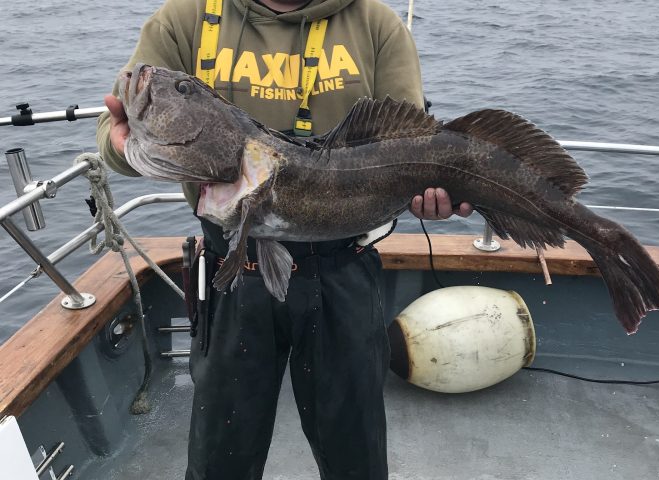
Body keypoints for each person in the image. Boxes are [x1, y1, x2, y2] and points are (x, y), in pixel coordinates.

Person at [97, 0, 471, 478]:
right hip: (232, 269)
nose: (143, 83)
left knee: (354, 454)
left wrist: (427, 193)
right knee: (220, 457)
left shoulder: (375, 24)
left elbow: (412, 140)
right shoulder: (185, 18)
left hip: (344, 268)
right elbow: (112, 129)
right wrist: (123, 146)